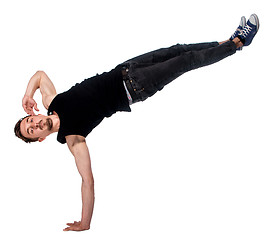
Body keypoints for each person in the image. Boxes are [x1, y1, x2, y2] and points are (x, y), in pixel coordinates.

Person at [14, 14, 259, 231]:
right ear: (41, 138)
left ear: (33, 114)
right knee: (187, 61)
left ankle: (229, 41)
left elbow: (40, 75)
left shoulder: (52, 101)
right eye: (32, 131)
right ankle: (239, 43)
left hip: (127, 68)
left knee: (179, 49)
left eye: (30, 121)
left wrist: (27, 94)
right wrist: (85, 223)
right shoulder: (73, 137)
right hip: (136, 86)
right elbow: (87, 182)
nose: (35, 125)